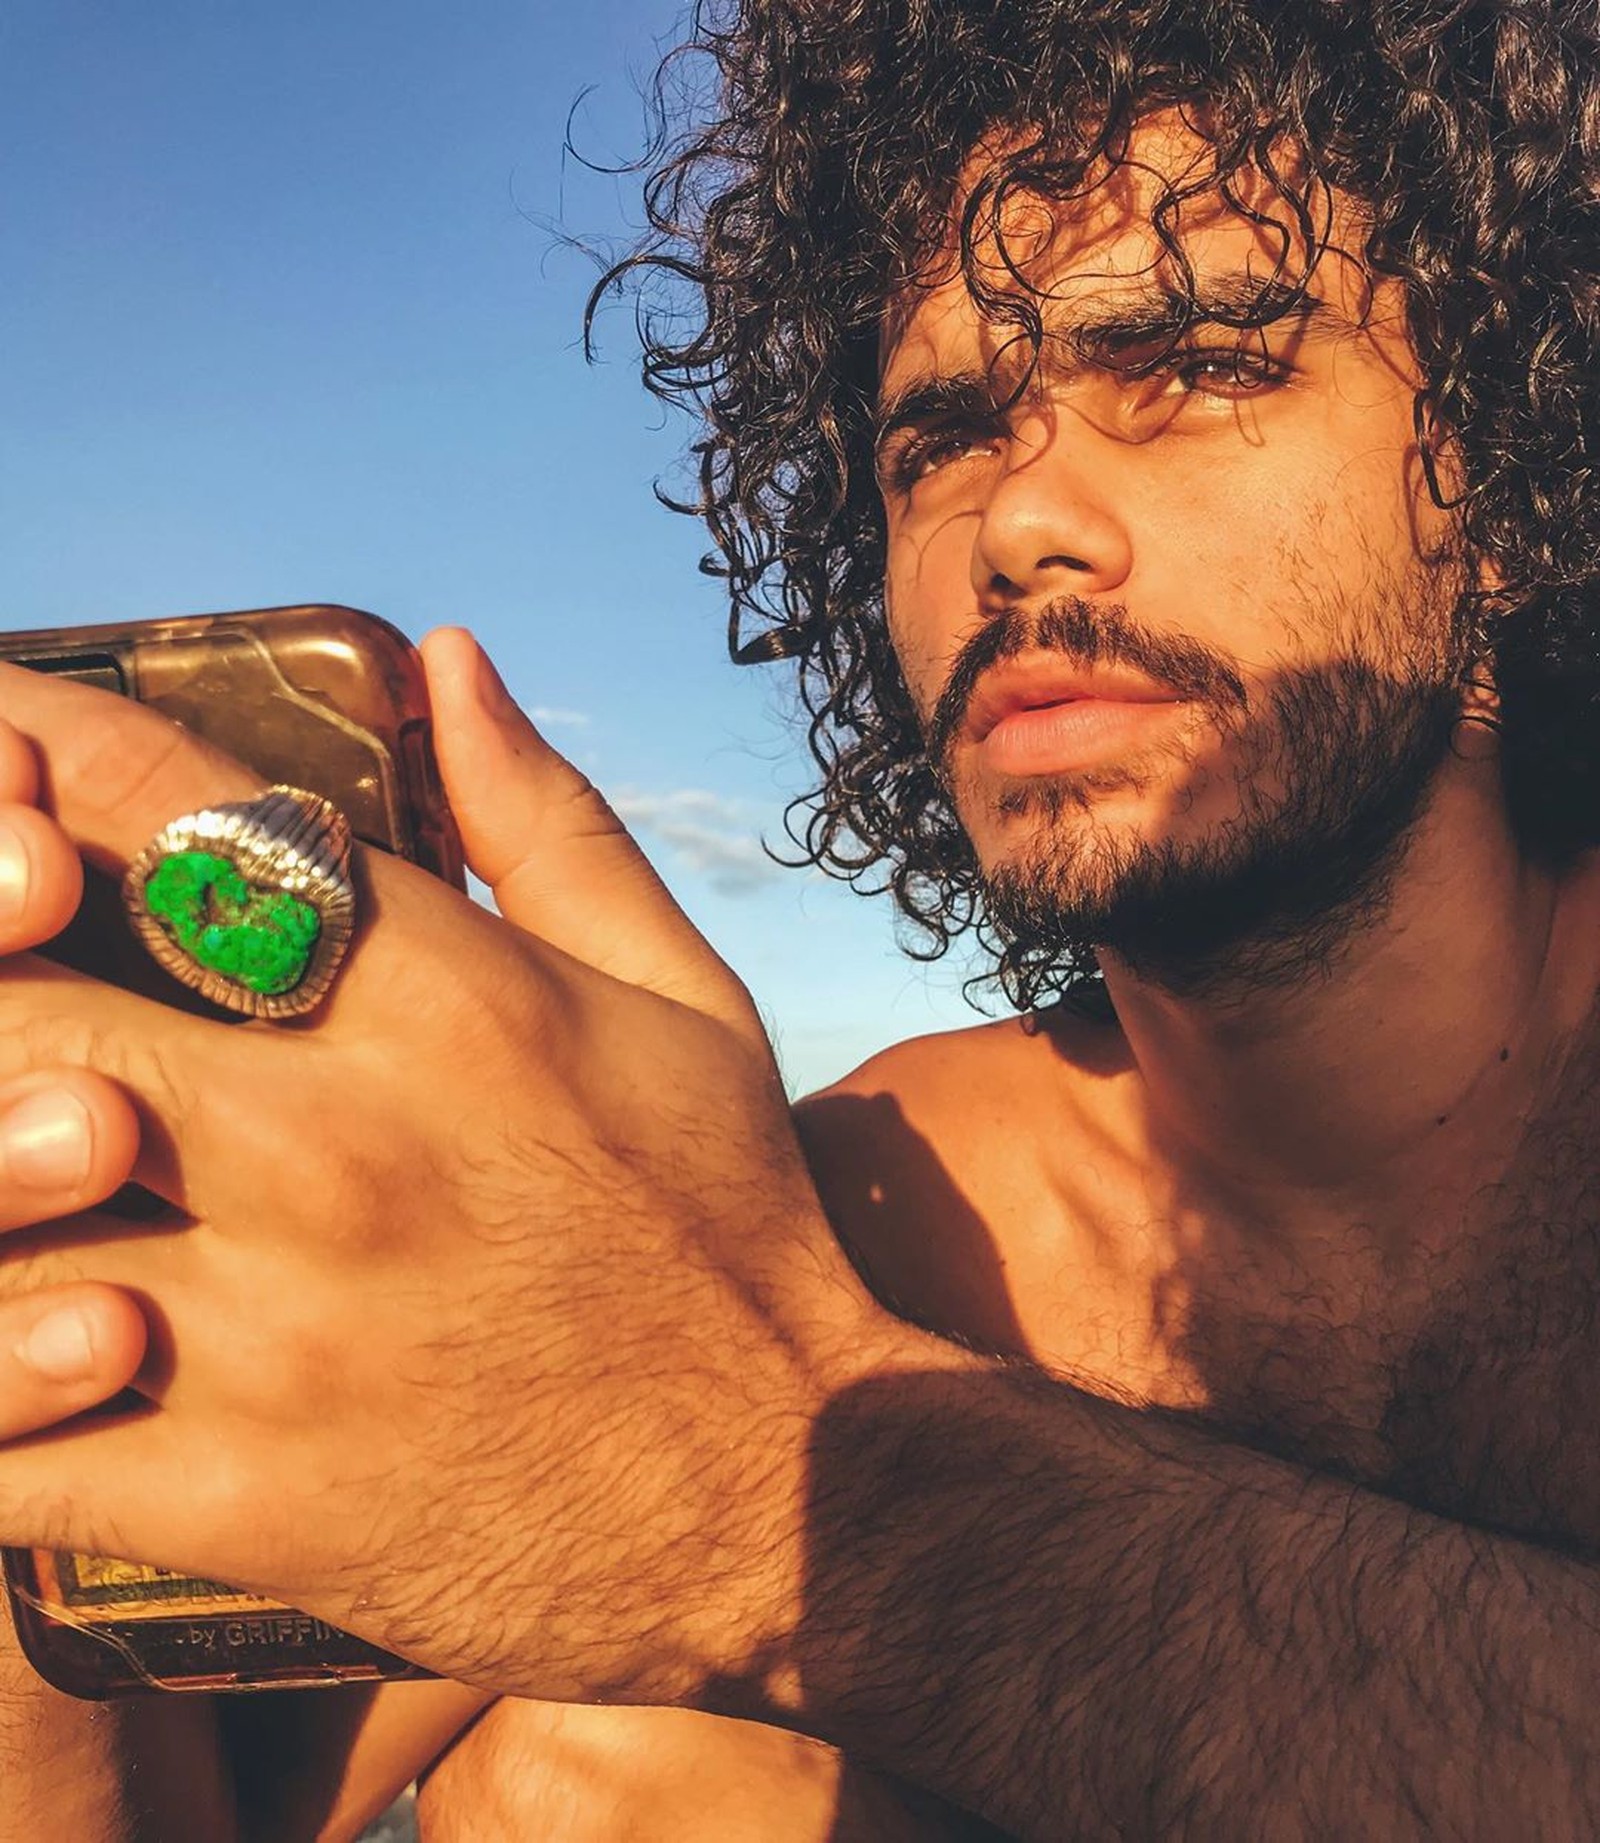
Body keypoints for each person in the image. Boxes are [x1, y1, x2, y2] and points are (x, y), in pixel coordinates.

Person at [4, 0, 1600, 1837]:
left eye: (1205, 366)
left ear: (1504, 473)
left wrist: (774, 1488)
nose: (1023, 521)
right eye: (938, 440)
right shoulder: (843, 1211)